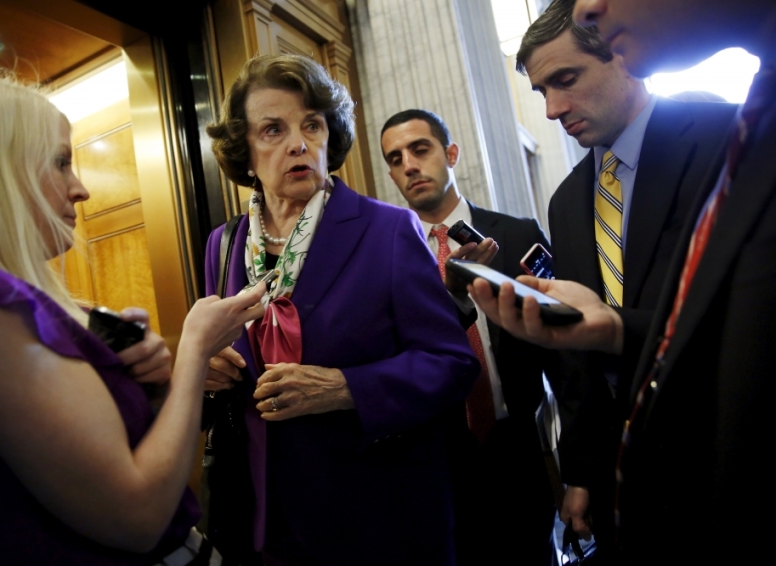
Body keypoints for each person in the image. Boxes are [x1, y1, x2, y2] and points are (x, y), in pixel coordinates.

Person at [470, 0, 776, 562]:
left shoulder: (728, 134)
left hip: (720, 448)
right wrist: (582, 472)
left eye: (566, 80)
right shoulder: (565, 201)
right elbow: (580, 365)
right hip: (623, 480)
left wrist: (615, 329)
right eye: (540, 92)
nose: (554, 109)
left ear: (621, 53)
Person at [0, 68, 266, 565]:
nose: (81, 189)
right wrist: (194, 350)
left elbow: (115, 456)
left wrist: (153, 389)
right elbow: (138, 517)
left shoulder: (10, 301)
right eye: (61, 162)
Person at [203, 55, 478, 565]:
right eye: (273, 129)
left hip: (378, 520)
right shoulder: (223, 246)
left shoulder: (388, 229)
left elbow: (452, 363)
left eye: (312, 124)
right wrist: (208, 368)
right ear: (245, 151)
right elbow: (225, 365)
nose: (299, 143)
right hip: (266, 523)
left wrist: (347, 388)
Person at [379, 108, 554, 566]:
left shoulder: (516, 235)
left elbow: (566, 354)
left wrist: (580, 471)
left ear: (450, 153)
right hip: (436, 463)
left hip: (519, 450)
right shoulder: (384, 259)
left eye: (420, 149)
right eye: (395, 159)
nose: (409, 165)